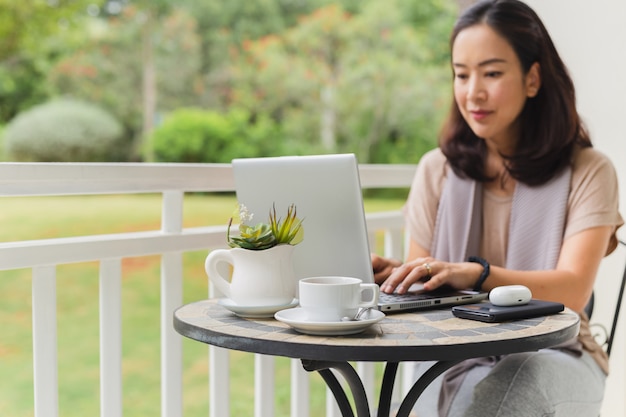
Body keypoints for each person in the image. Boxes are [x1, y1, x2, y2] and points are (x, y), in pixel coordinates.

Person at [371, 1, 623, 416]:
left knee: (501, 395)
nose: (473, 92)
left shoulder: (589, 170)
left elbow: (573, 290)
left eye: (491, 73)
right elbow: (426, 292)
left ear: (532, 78)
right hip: (456, 352)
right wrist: (402, 275)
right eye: (461, 74)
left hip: (558, 353)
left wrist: (480, 275)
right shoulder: (437, 169)